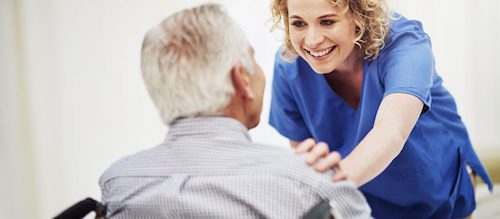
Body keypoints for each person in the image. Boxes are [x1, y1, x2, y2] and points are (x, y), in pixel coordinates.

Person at [99, 3, 371, 218]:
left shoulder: (119, 183)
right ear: (241, 79)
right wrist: (327, 178)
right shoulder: (308, 182)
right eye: (252, 57)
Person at [268, 0, 493, 218]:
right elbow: (309, 156)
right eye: (298, 23)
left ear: (358, 14)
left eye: (327, 21)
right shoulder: (289, 67)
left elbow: (393, 128)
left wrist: (331, 185)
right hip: (365, 203)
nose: (312, 40)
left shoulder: (404, 44)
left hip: (439, 194)